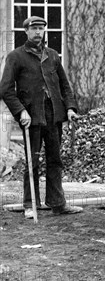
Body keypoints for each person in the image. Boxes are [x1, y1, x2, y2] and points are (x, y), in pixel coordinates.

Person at [0, 16, 83, 218]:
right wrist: (21, 111)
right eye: (34, 28)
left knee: (55, 160)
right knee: (33, 162)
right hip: (32, 116)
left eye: (41, 28)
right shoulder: (16, 56)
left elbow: (65, 85)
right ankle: (30, 205)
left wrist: (70, 108)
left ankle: (58, 204)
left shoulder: (52, 56)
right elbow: (5, 89)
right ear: (26, 31)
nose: (38, 32)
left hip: (54, 114)